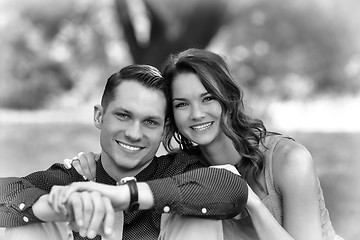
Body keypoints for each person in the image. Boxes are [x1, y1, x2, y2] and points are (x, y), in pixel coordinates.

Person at [73, 49, 343, 240]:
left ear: (228, 97)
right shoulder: (185, 169)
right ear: (171, 118)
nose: (197, 114)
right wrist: (95, 163)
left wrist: (250, 202)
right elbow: (133, 161)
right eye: (182, 104)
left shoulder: (288, 160)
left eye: (207, 98)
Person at [0, 64, 249, 240]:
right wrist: (51, 206)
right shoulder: (73, 180)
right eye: (123, 115)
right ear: (99, 116)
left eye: (150, 122)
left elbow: (231, 187)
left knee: (195, 213)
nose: (133, 133)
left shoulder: (178, 171)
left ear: (164, 130)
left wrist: (122, 195)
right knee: (29, 217)